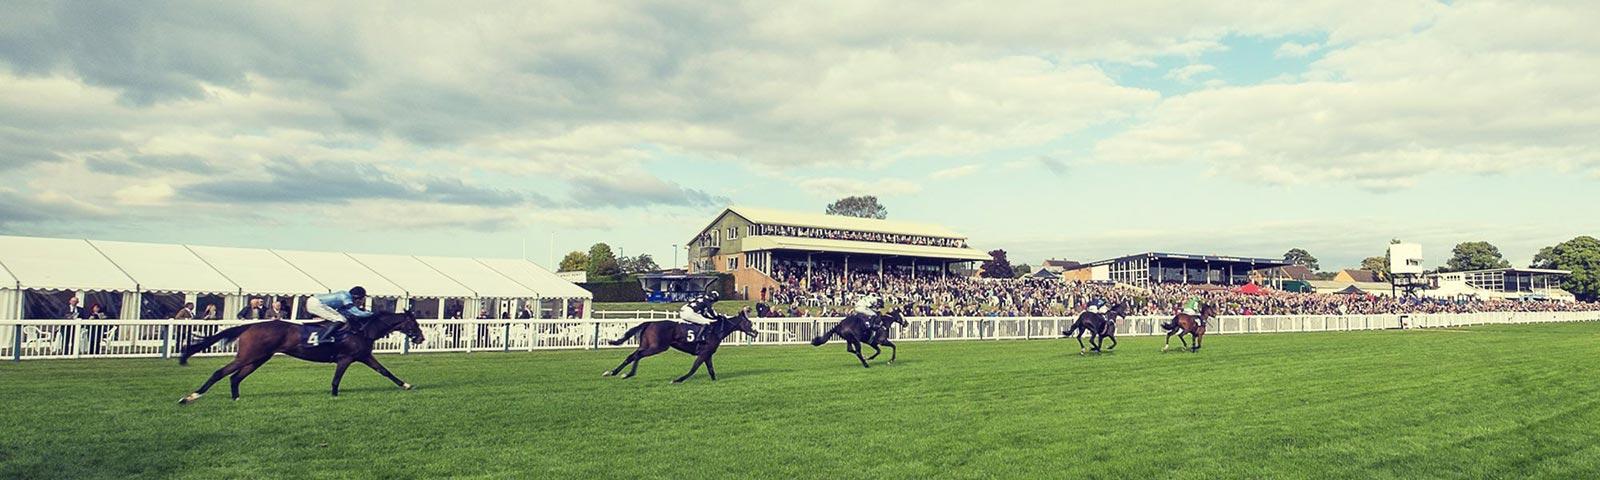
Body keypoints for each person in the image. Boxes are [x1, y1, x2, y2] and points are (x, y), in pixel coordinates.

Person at [305, 287, 374, 341]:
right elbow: (355, 312)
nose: (361, 301)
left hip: (314, 302)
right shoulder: (346, 297)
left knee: (339, 318)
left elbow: (344, 312)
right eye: (362, 299)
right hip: (316, 303)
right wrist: (371, 314)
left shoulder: (345, 297)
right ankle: (323, 338)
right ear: (357, 297)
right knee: (340, 319)